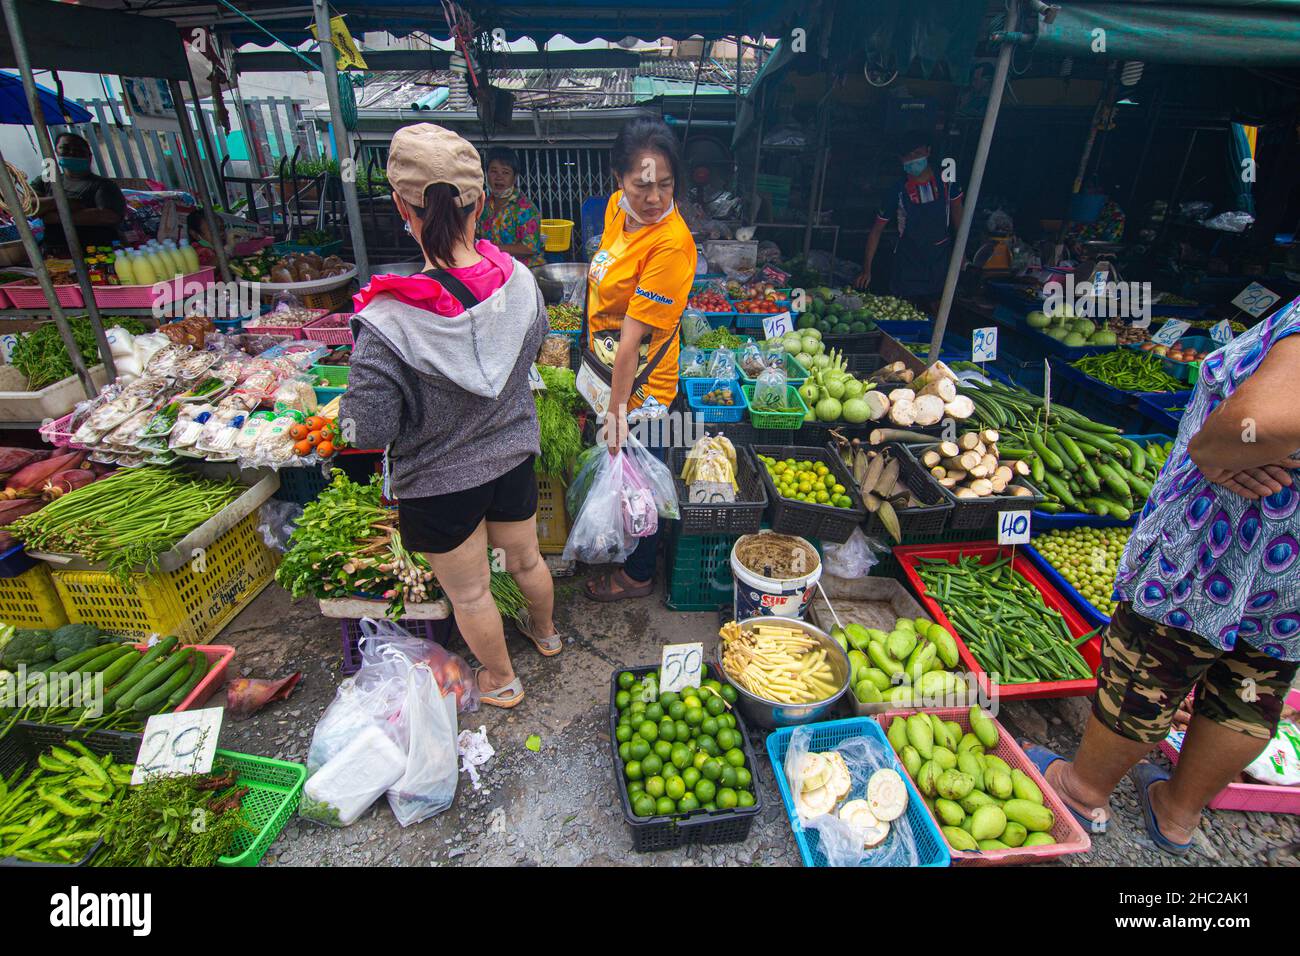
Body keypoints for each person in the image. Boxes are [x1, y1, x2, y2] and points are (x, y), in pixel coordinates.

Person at [1024, 295, 1300, 854]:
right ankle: (1177, 813)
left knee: (1153, 663)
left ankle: (1081, 790)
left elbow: (1258, 421)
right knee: (1253, 684)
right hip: (1290, 571)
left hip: (1227, 540)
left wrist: (1210, 447)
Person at [340, 123, 560, 709]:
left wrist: (346, 418)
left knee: (471, 594)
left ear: (400, 208)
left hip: (439, 483)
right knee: (528, 559)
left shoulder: (387, 320)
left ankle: (501, 681)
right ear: (480, 202)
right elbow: (535, 349)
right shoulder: (521, 283)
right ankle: (547, 635)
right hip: (512, 456)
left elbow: (370, 428)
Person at [584, 118, 697, 602]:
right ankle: (626, 547)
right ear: (619, 180)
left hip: (643, 389)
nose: (654, 197)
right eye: (642, 185)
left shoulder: (671, 244)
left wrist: (617, 411)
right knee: (626, 472)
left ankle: (638, 574)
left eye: (666, 185)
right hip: (608, 371)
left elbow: (632, 342)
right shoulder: (617, 209)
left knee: (643, 480)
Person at [855, 135, 963, 315]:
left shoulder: (946, 181)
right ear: (901, 160)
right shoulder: (897, 190)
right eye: (907, 156)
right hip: (908, 260)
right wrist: (867, 269)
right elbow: (876, 231)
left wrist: (962, 252)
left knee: (938, 309)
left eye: (917, 153)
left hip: (939, 258)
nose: (913, 160)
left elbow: (958, 212)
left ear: (928, 151)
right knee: (903, 310)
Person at [33, 132, 126, 254]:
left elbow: (109, 216)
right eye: (65, 148)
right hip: (55, 251)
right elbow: (29, 205)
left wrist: (54, 216)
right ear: (56, 153)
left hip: (97, 252)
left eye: (78, 150)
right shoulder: (46, 180)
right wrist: (63, 202)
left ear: (89, 156)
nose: (72, 153)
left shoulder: (104, 185)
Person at [476, 146, 546, 267]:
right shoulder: (483, 206)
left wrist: (492, 249)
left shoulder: (526, 208)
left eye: (505, 172)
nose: (499, 177)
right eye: (494, 171)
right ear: (486, 174)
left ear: (515, 177)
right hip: (494, 269)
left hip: (525, 271)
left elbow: (529, 248)